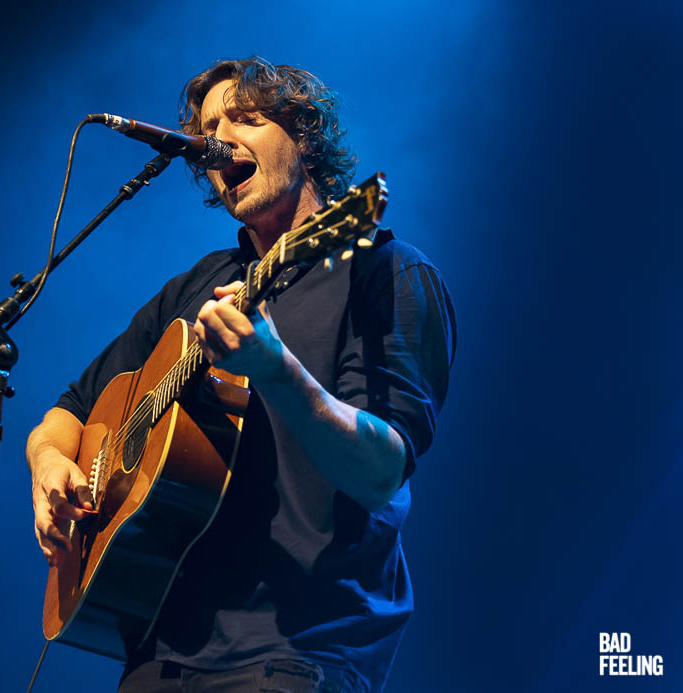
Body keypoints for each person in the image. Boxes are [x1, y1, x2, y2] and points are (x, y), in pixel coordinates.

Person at [25, 56, 456, 693]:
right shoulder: (198, 284)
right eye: (208, 127)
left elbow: (381, 472)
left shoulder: (385, 273)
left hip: (295, 650)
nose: (219, 138)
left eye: (246, 119)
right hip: (159, 648)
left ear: (304, 137)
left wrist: (277, 370)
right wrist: (50, 466)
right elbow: (68, 409)